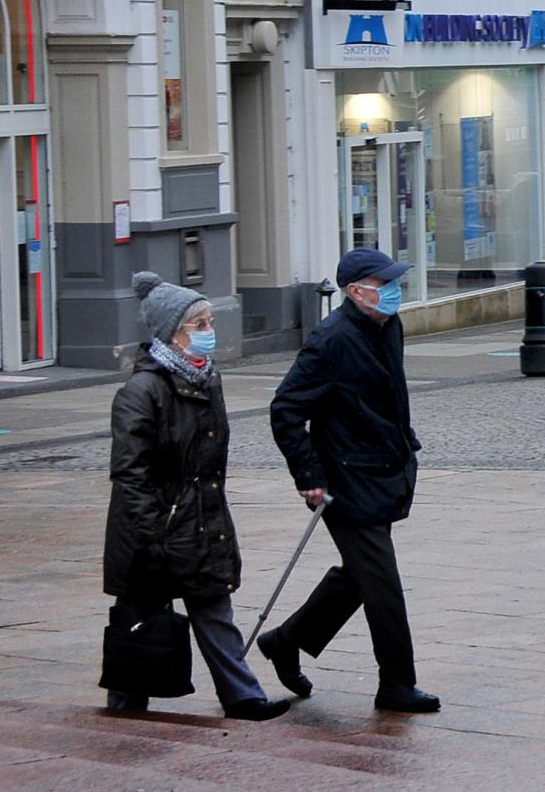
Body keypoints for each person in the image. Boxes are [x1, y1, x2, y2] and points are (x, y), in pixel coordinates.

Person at [257, 248, 440, 714]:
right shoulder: (331, 340)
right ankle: (396, 683)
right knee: (382, 584)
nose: (395, 292)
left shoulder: (386, 326)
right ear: (356, 292)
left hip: (384, 470)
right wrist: (309, 476)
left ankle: (285, 640)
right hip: (346, 481)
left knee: (360, 578)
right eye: (386, 284)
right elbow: (286, 410)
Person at [102, 274, 288, 720]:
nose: (208, 332)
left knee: (213, 607)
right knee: (140, 619)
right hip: (154, 529)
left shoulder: (206, 380)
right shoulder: (141, 392)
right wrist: (153, 534)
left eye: (209, 322)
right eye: (198, 325)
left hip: (201, 518)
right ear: (171, 333)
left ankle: (243, 697)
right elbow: (130, 473)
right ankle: (125, 706)